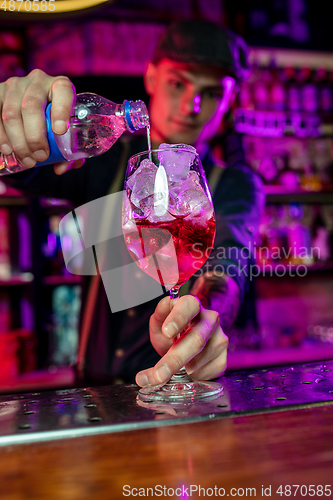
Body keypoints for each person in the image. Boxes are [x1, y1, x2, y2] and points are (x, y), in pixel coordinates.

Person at [0, 19, 264, 387]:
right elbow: (19, 171)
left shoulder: (236, 184)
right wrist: (11, 119)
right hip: (94, 390)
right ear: (152, 78)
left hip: (181, 391)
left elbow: (230, 259)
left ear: (230, 101)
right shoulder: (102, 157)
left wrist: (206, 312)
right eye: (177, 83)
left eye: (213, 93)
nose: (192, 105)